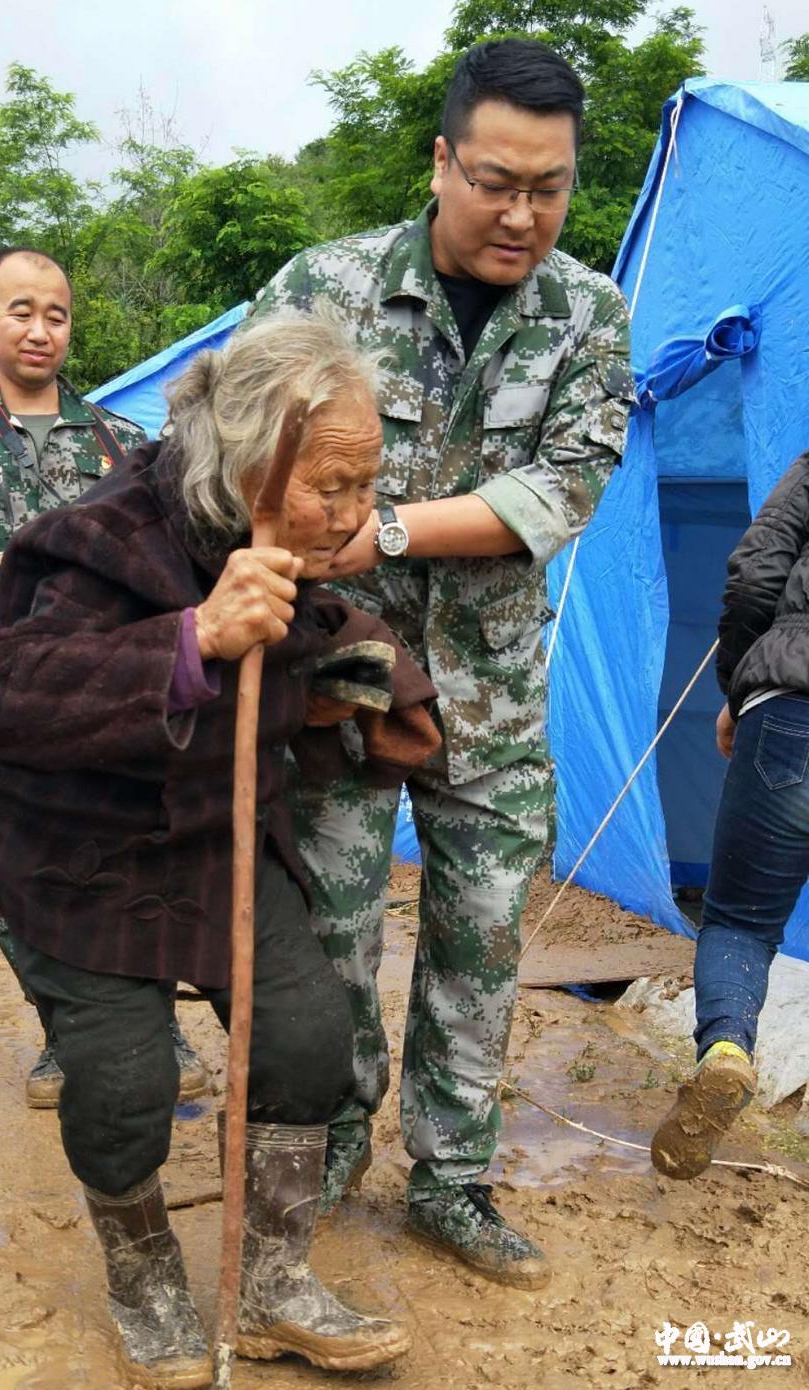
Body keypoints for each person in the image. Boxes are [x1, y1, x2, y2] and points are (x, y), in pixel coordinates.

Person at [0, 314, 439, 1386]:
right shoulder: (93, 538)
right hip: (72, 855)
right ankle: (145, 1281)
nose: (355, 513)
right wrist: (189, 642)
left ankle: (271, 1285)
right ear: (247, 456)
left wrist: (341, 673)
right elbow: (4, 692)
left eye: (367, 482)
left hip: (213, 837)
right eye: (333, 484)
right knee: (124, 1085)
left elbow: (308, 635)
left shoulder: (280, 537)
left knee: (310, 1037)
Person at [250, 37, 633, 1286]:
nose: (521, 212)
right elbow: (241, 450)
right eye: (494, 180)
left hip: (493, 700)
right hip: (342, 689)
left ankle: (451, 1183)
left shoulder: (589, 313)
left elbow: (562, 487)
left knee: (478, 945)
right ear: (440, 159)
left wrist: (392, 527)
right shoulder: (326, 288)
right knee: (337, 942)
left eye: (550, 186)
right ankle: (321, 1154)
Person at [0, 246, 208, 1106]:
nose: (41, 329)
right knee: (20, 869)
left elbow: (172, 558)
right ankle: (62, 1038)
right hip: (9, 695)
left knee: (137, 855)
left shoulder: (125, 443)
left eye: (57, 314)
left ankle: (160, 1030)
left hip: (117, 691)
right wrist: (12, 577)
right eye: (22, 310)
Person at [652, 449, 809, 1179]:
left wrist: (739, 689)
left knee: (741, 921)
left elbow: (755, 574)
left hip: (793, 707)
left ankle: (726, 1051)